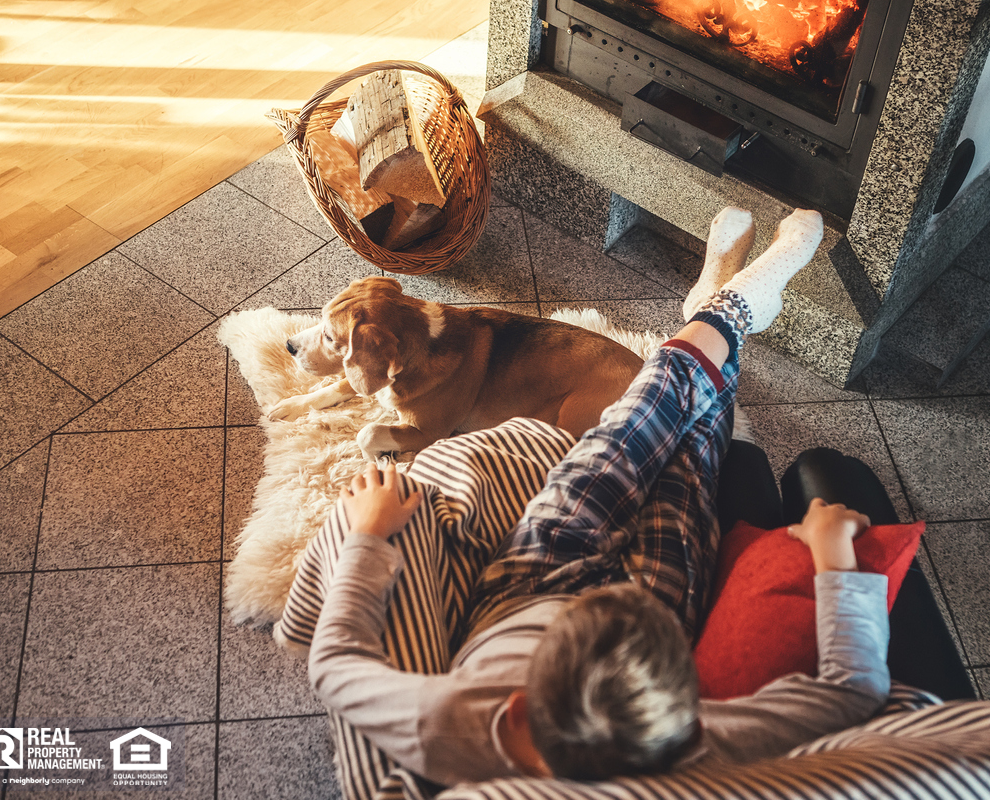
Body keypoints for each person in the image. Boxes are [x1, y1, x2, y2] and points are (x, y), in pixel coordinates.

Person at [305, 207, 892, 787]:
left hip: (531, 581)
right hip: (652, 603)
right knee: (688, 450)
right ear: (687, 726)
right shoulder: (691, 751)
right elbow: (853, 689)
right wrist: (834, 554)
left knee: (621, 435)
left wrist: (366, 536)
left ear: (511, 711)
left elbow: (334, 665)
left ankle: (726, 311)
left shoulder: (444, 725)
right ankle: (719, 313)